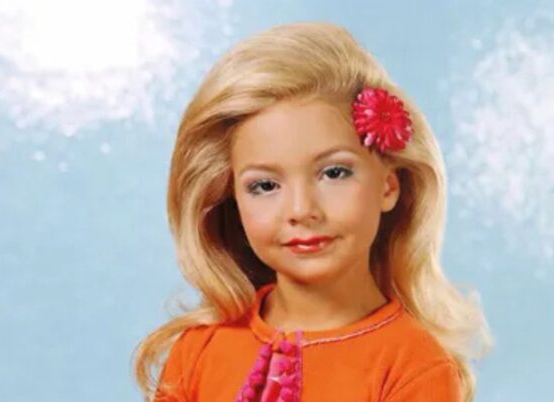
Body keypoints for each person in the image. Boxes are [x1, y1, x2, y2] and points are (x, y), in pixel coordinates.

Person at [132, 21, 493, 402]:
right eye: (265, 186)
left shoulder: (416, 367)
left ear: (388, 185)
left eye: (334, 173)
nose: (301, 210)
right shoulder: (199, 349)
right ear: (232, 198)